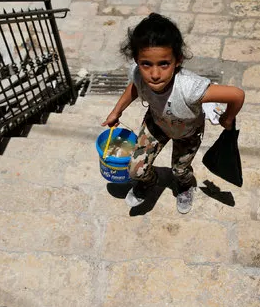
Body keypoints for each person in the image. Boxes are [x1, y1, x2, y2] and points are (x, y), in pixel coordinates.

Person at [102, 13, 245, 214]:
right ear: (137, 60)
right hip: (155, 125)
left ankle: (185, 186)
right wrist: (116, 112)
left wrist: (228, 118)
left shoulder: (190, 88)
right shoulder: (138, 74)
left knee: (180, 170)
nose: (154, 74)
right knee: (136, 169)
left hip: (187, 134)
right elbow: (134, 87)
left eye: (163, 64)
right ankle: (149, 182)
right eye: (146, 64)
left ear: (177, 60)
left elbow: (237, 95)